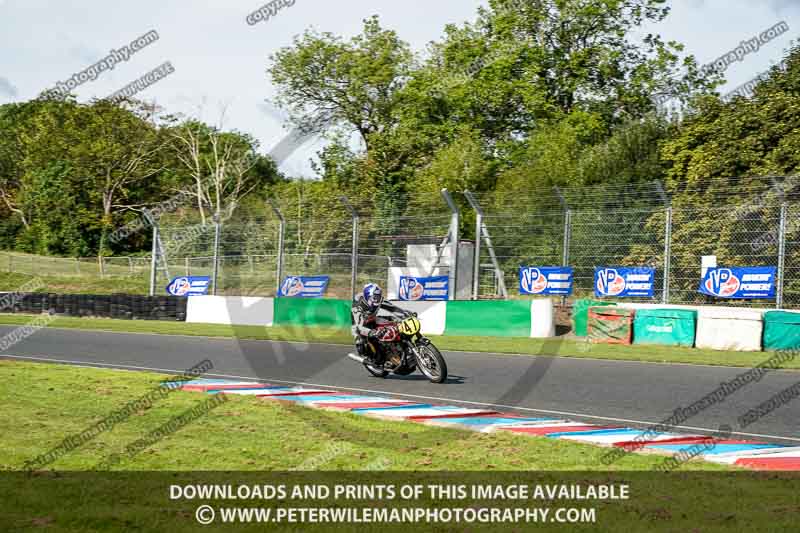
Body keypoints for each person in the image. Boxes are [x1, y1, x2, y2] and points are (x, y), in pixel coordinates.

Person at [351, 283, 408, 367]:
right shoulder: (357, 307)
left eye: (378, 296)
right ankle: (375, 359)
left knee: (394, 322)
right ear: (368, 296)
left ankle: (400, 347)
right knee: (362, 344)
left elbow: (392, 308)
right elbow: (359, 328)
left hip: (372, 318)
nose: (377, 299)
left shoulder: (378, 300)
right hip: (360, 326)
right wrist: (372, 332)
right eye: (375, 297)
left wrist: (405, 313)